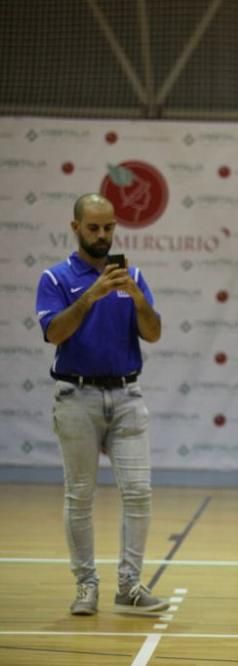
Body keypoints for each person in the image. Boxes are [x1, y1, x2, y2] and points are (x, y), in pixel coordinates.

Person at [34, 193, 169, 617]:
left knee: (139, 493)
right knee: (80, 495)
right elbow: (55, 333)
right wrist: (91, 296)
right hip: (77, 396)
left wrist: (136, 296)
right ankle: (86, 585)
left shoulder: (132, 275)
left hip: (127, 395)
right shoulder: (55, 278)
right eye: (93, 227)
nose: (102, 235)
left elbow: (154, 333)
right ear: (75, 227)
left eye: (109, 227)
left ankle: (128, 586)